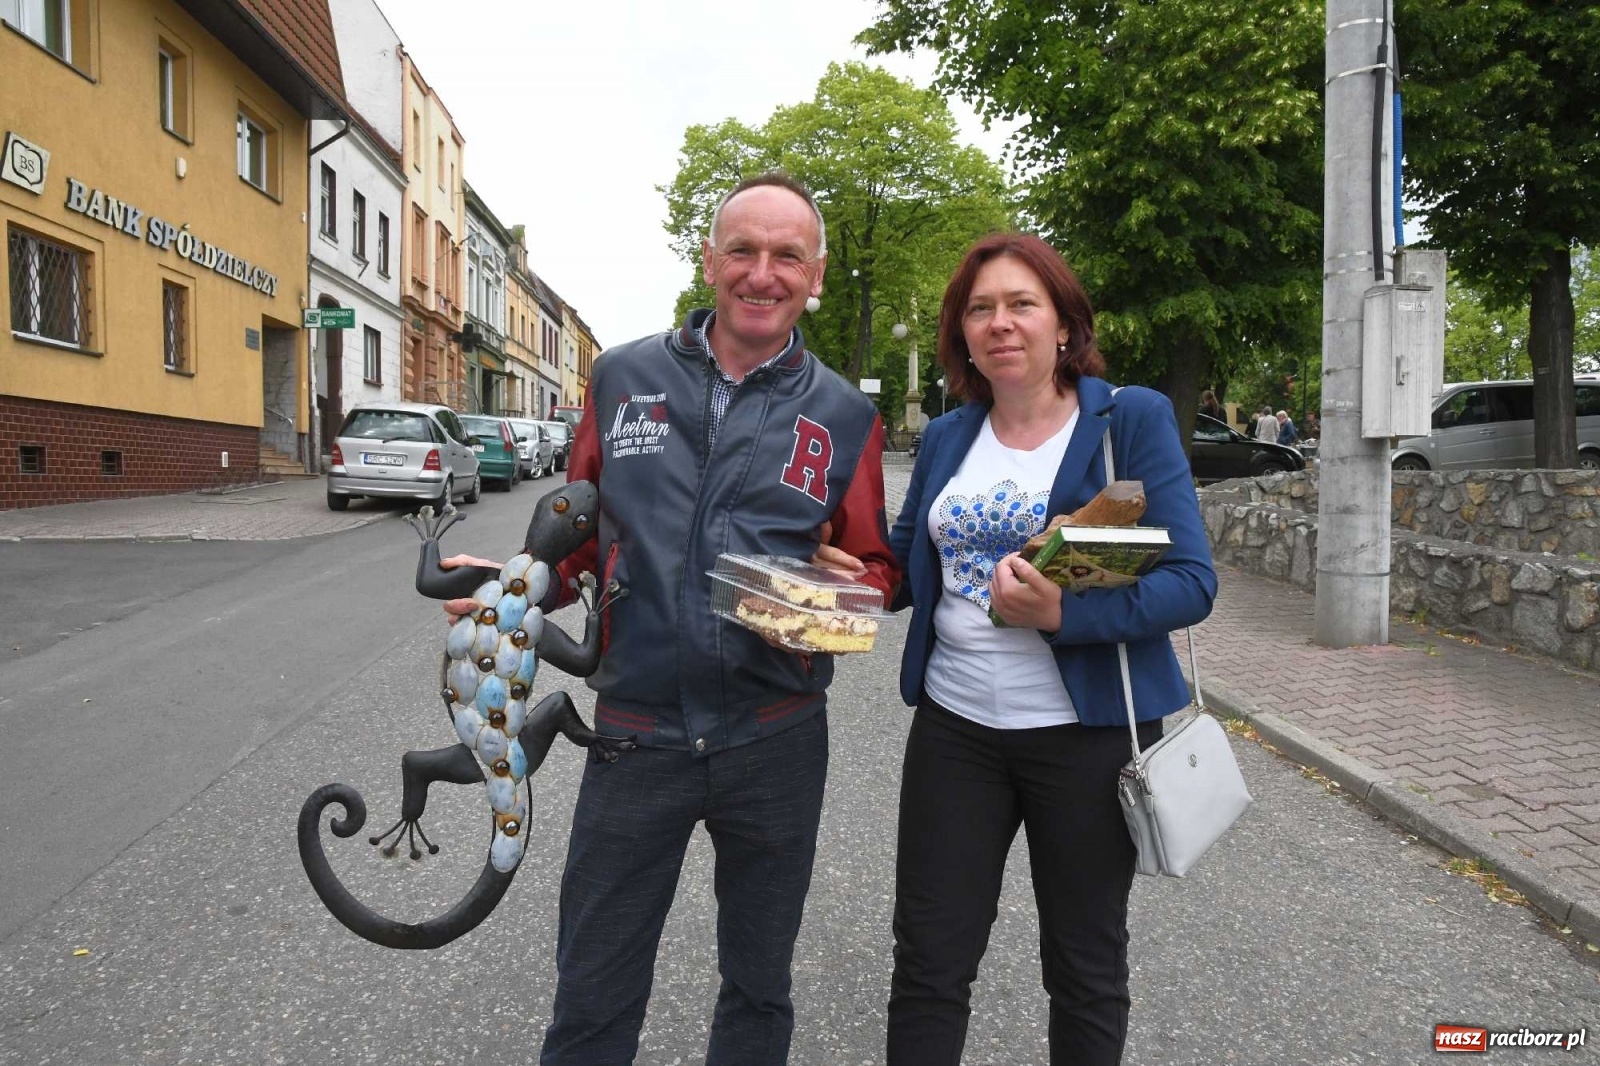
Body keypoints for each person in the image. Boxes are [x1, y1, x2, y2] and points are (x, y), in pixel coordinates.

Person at [444, 172, 900, 1065]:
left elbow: (876, 567)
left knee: (759, 988)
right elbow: (578, 528)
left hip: (775, 739)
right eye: (743, 250)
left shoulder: (846, 415)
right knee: (593, 992)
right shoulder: (624, 376)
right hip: (635, 737)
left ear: (816, 274)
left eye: (786, 256)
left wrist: (834, 597)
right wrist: (517, 586)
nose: (762, 273)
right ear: (710, 260)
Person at [879, 233, 1216, 1064]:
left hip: (1086, 739)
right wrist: (843, 572)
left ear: (1064, 323)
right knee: (929, 960)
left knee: (1084, 965)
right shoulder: (948, 437)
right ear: (961, 332)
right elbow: (906, 567)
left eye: (1022, 304)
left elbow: (1192, 582)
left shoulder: (1125, 419)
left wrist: (1067, 616)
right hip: (956, 733)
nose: (1000, 323)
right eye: (980, 308)